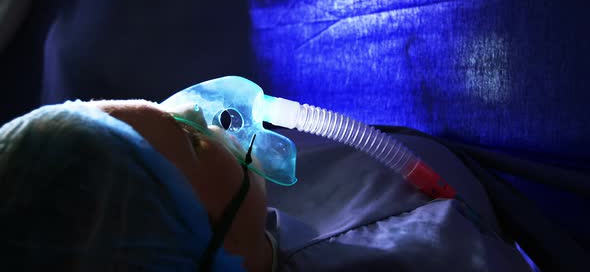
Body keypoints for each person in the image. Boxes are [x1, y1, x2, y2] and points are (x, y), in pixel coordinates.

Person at [0, 99, 538, 271]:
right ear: (208, 243)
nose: (194, 106)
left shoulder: (256, 206)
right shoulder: (433, 254)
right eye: (191, 140)